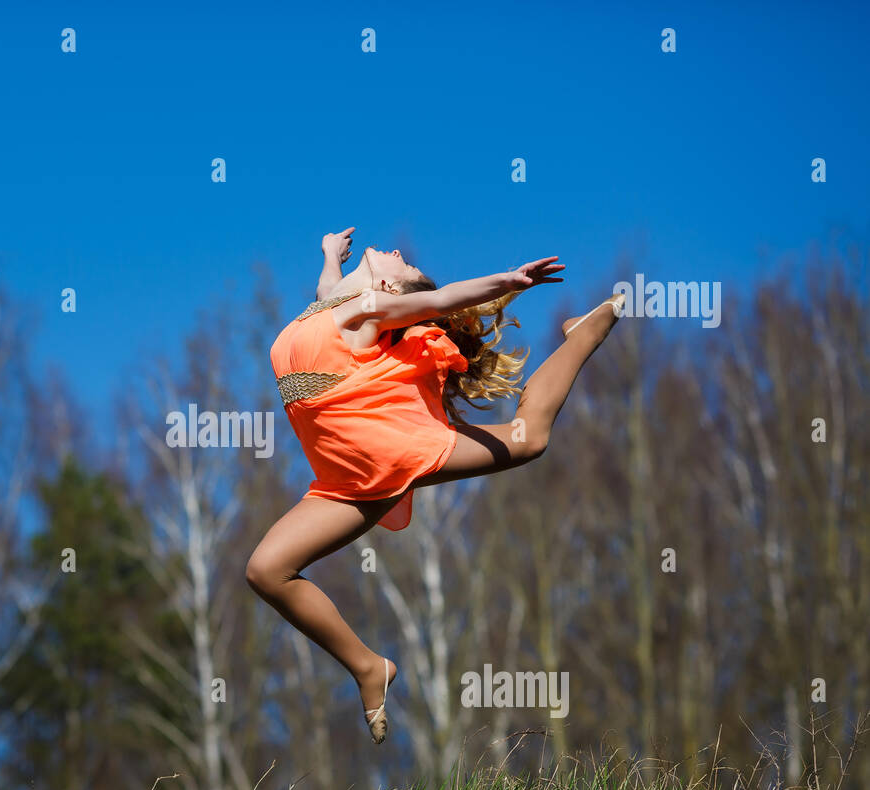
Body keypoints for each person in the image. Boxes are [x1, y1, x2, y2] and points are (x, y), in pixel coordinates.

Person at [247, 226, 624, 743]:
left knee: (530, 437)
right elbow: (325, 290)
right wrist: (330, 255)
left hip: (391, 450)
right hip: (346, 480)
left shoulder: (371, 308)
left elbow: (444, 298)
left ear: (395, 291)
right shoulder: (334, 301)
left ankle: (584, 335)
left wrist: (508, 281)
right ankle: (369, 668)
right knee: (267, 571)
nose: (398, 253)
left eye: (403, 266)